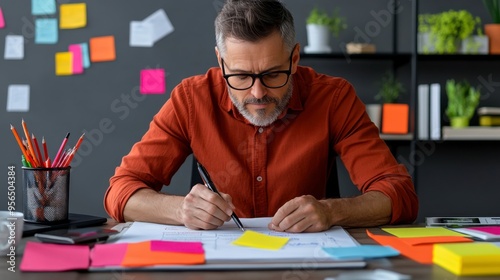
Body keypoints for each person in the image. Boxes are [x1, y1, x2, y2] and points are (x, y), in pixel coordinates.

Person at [105, 0, 418, 233]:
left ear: (294, 58)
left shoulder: (333, 98)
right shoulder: (191, 98)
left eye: (272, 74)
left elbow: (398, 193)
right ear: (221, 61)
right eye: (240, 76)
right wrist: (181, 209)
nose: (257, 93)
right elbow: (120, 192)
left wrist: (333, 210)